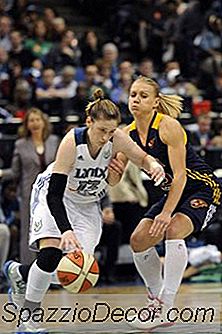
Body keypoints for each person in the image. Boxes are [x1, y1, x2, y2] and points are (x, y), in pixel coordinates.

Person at [4, 88, 164, 332]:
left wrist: (153, 166)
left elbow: (141, 158)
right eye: (101, 131)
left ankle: (21, 273)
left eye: (111, 132)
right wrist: (65, 230)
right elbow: (54, 195)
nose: (105, 137)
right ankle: (28, 318)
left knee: (79, 272)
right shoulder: (72, 141)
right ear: (89, 122)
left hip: (88, 203)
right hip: (56, 197)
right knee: (49, 256)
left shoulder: (116, 138)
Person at [120, 76, 222, 330]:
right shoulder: (126, 134)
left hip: (202, 187)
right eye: (133, 94)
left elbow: (180, 176)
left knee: (173, 228)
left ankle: (167, 306)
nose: (136, 100)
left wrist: (166, 213)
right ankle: (156, 300)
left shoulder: (168, 126)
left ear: (155, 102)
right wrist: (110, 169)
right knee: (138, 240)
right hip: (174, 192)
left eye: (143, 95)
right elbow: (114, 178)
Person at [0, 108, 60, 264]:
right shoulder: (20, 144)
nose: (35, 123)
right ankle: (27, 272)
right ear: (26, 125)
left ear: (43, 122)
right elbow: (15, 171)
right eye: (31, 120)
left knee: (53, 231)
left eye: (37, 120)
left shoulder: (54, 141)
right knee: (29, 232)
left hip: (53, 192)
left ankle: (52, 271)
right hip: (29, 194)